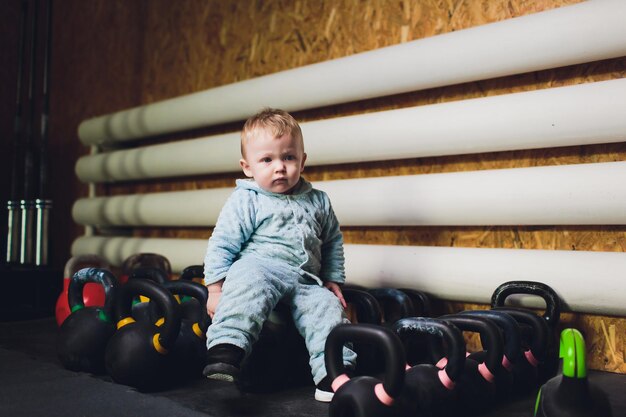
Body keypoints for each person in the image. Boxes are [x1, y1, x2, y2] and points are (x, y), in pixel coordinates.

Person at [202, 108, 356, 402]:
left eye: (288, 157)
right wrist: (215, 288)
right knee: (248, 280)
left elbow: (332, 242)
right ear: (247, 167)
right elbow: (223, 242)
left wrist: (333, 280)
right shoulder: (247, 199)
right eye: (267, 160)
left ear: (302, 160)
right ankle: (226, 349)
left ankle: (332, 374)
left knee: (327, 308)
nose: (280, 167)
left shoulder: (318, 201)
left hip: (306, 279)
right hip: (262, 267)